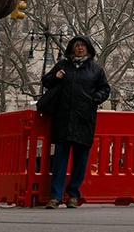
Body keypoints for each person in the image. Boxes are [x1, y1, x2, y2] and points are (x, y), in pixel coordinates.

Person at [41, 35, 111, 209]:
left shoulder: (96, 70)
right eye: (77, 45)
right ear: (72, 48)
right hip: (64, 118)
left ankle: (73, 194)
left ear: (88, 49)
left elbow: (105, 88)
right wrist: (56, 77)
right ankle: (55, 197)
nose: (80, 48)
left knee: (81, 161)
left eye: (83, 46)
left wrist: (97, 97)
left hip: (84, 119)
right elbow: (46, 82)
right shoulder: (62, 66)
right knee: (59, 161)